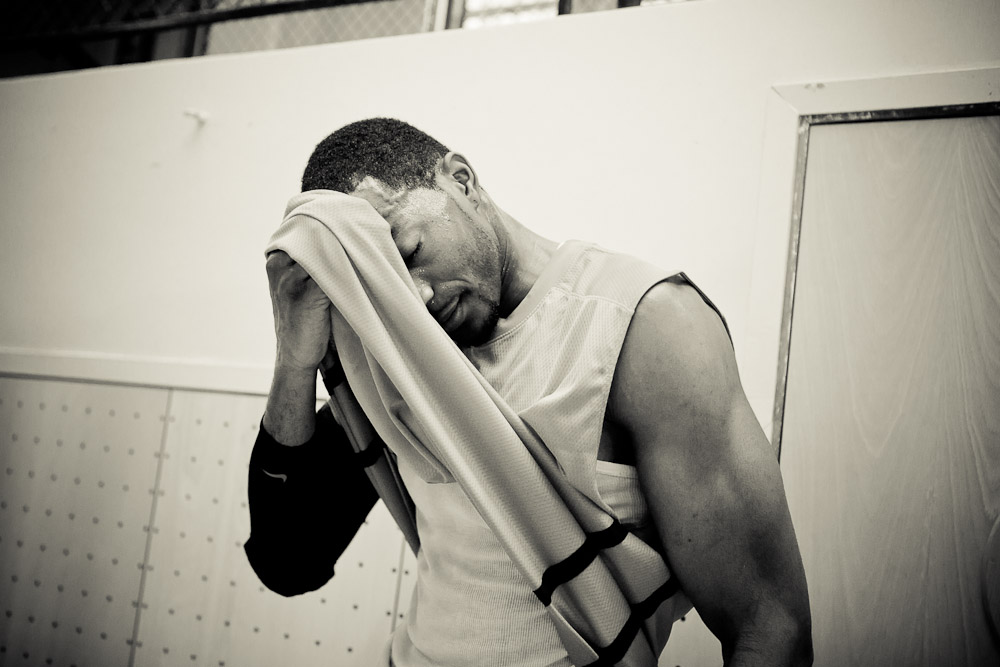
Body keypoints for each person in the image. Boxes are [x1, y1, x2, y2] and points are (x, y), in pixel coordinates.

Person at [245, 118, 813, 666]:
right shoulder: (403, 353)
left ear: (461, 181)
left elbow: (770, 627)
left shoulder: (643, 325)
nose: (416, 298)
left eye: (412, 253)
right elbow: (288, 563)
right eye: (388, 285)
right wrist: (294, 360)